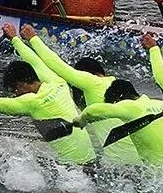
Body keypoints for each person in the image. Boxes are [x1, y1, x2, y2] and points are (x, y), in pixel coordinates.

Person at [0, 24, 96, 166]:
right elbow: (35, 63)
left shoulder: (33, 102)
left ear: (21, 85)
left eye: (15, 90)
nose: (16, 95)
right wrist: (15, 39)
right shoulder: (58, 83)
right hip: (92, 160)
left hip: (72, 171)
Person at [18, 24, 140, 165]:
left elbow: (56, 64)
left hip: (119, 166)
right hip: (142, 161)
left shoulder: (91, 82)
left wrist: (33, 39)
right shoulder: (122, 86)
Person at [80, 79, 163, 181]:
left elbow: (92, 111)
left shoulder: (130, 106)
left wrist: (80, 120)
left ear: (118, 100)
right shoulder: (161, 104)